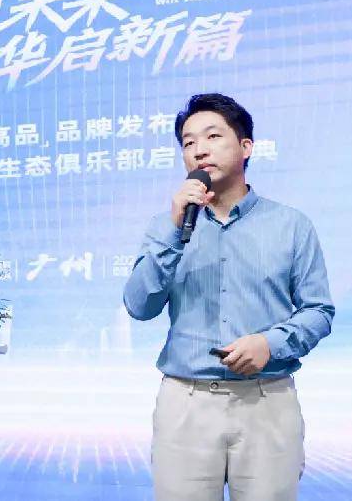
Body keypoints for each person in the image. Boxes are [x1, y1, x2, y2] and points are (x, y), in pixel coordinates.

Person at [123, 93, 334, 500]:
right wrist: (173, 231)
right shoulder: (166, 226)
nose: (199, 150)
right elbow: (139, 306)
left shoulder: (290, 225)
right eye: (188, 142)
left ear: (246, 146)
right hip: (186, 402)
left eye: (213, 136)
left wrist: (270, 344)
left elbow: (318, 310)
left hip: (265, 400)